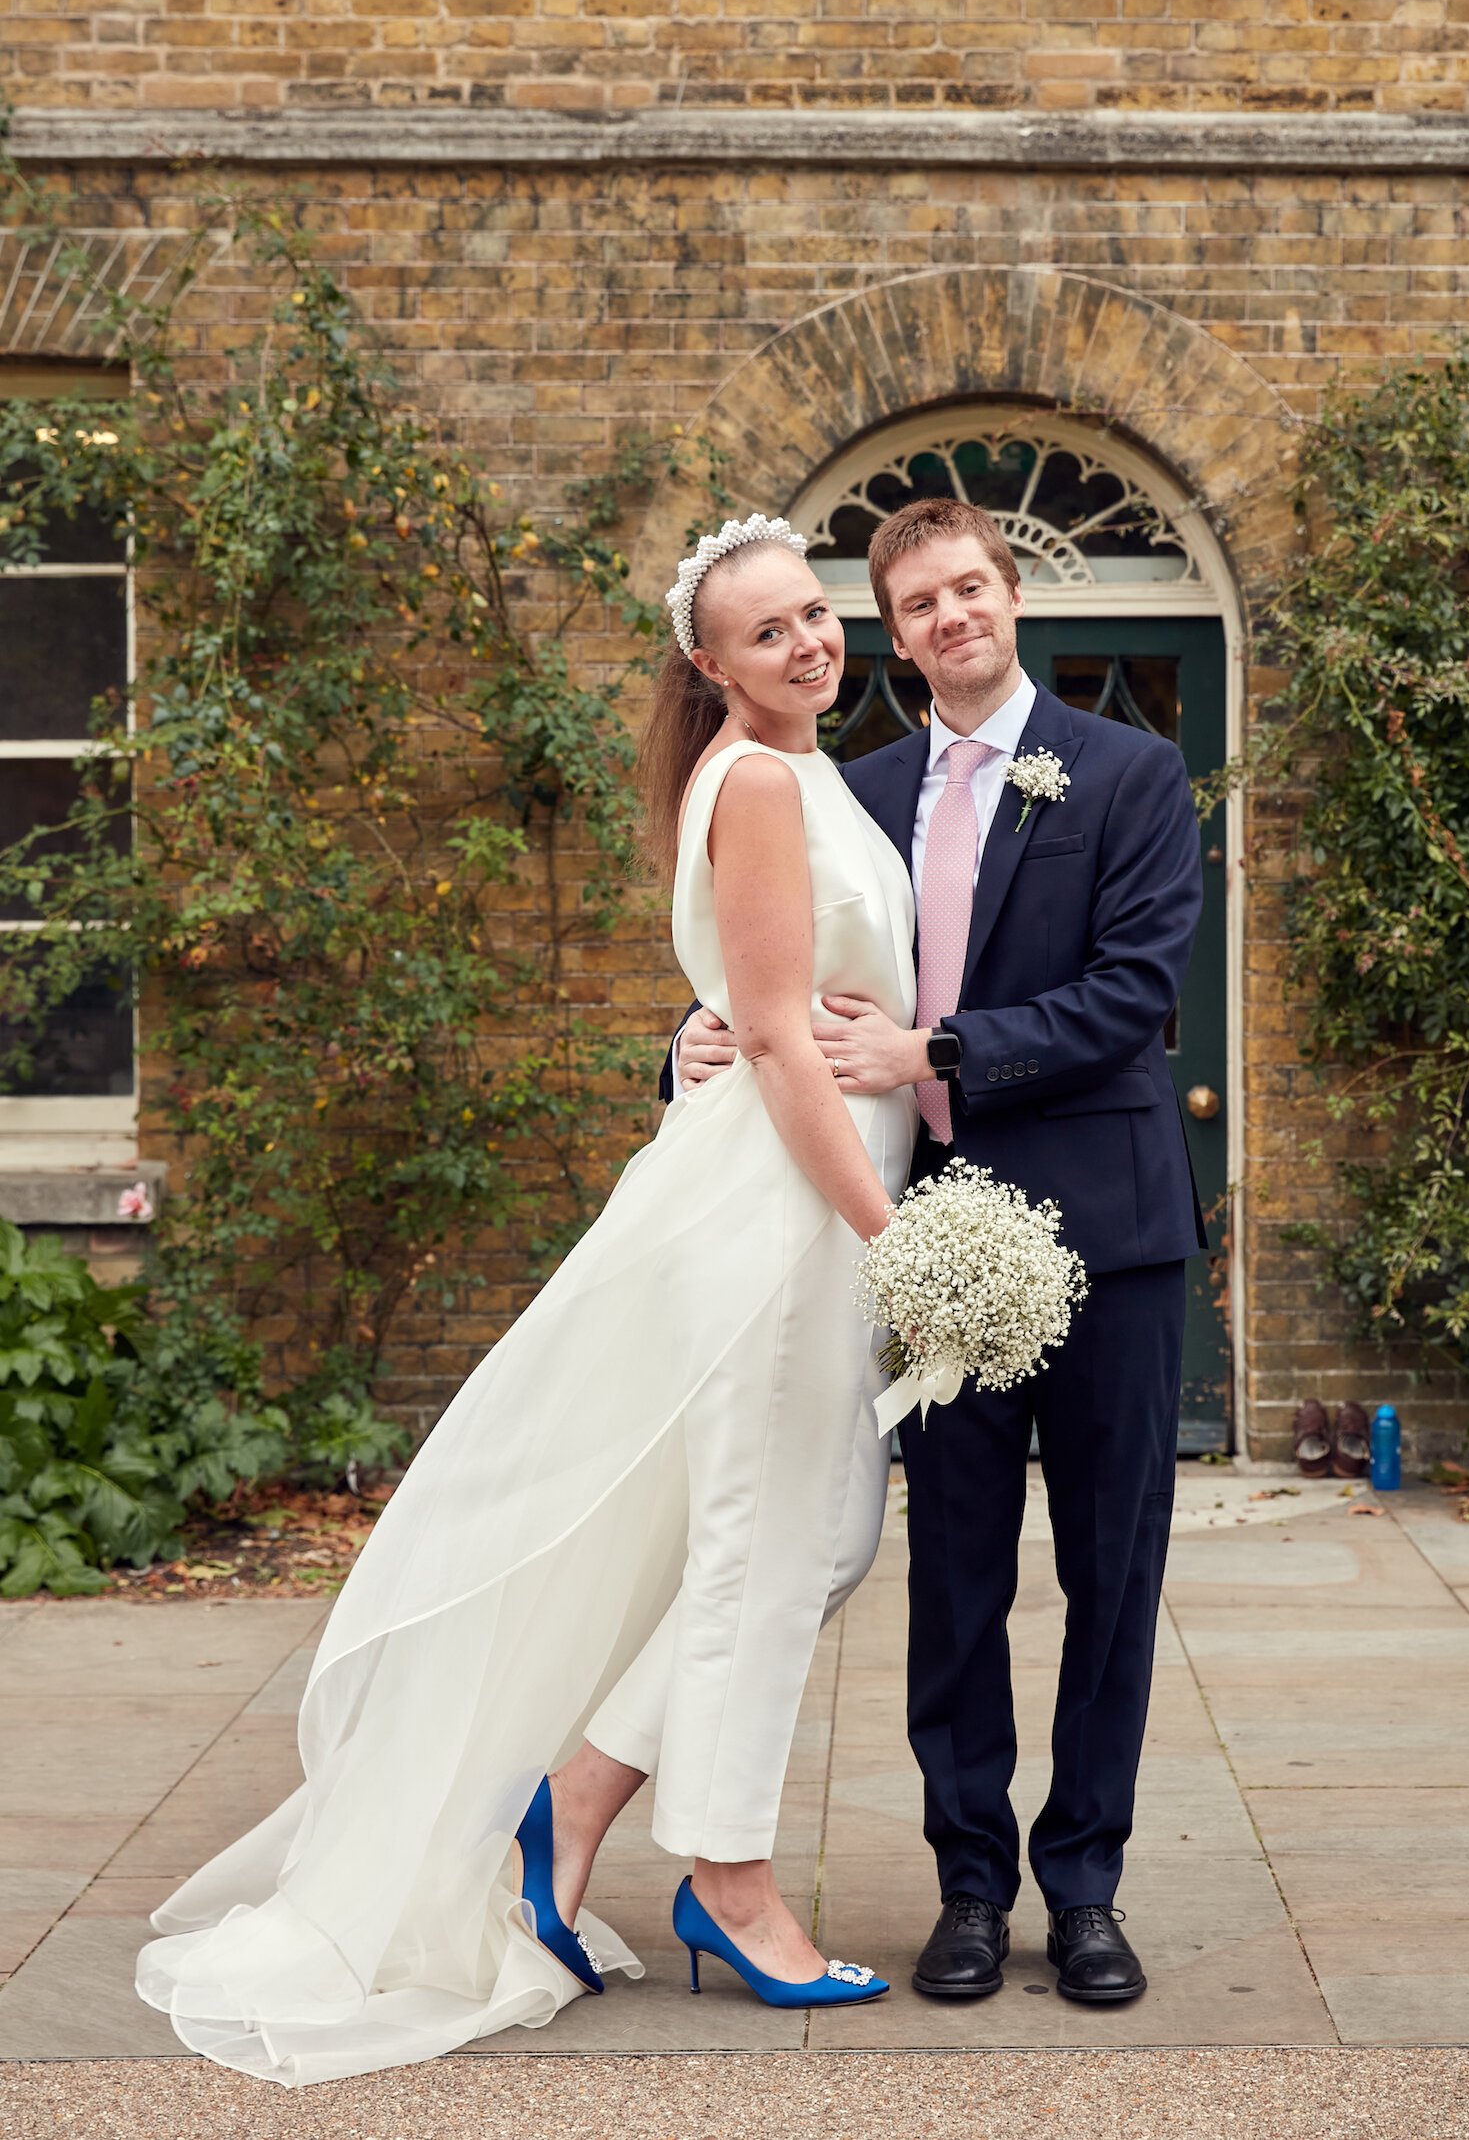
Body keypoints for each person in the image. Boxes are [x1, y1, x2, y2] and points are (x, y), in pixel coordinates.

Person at [134, 513, 920, 2085]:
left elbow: (751, 1005)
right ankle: (728, 1879)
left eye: (818, 615)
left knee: (812, 1533)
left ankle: (569, 1804)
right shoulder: (759, 778)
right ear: (710, 664)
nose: (811, 643)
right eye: (769, 632)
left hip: (798, 1189)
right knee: (766, 1551)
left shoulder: (800, 765)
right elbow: (770, 1035)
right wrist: (886, 1231)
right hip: (786, 1207)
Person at [674, 496, 1205, 2006]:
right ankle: (969, 1885)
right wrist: (697, 1038)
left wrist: (935, 1044)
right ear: (894, 631)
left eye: (970, 585)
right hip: (930, 1242)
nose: (949, 615)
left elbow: (1133, 994)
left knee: (1111, 1573)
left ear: (1009, 593)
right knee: (954, 1578)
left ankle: (1085, 1887)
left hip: (1110, 1236)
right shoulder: (851, 786)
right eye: (918, 600)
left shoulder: (1134, 770)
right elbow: (779, 971)